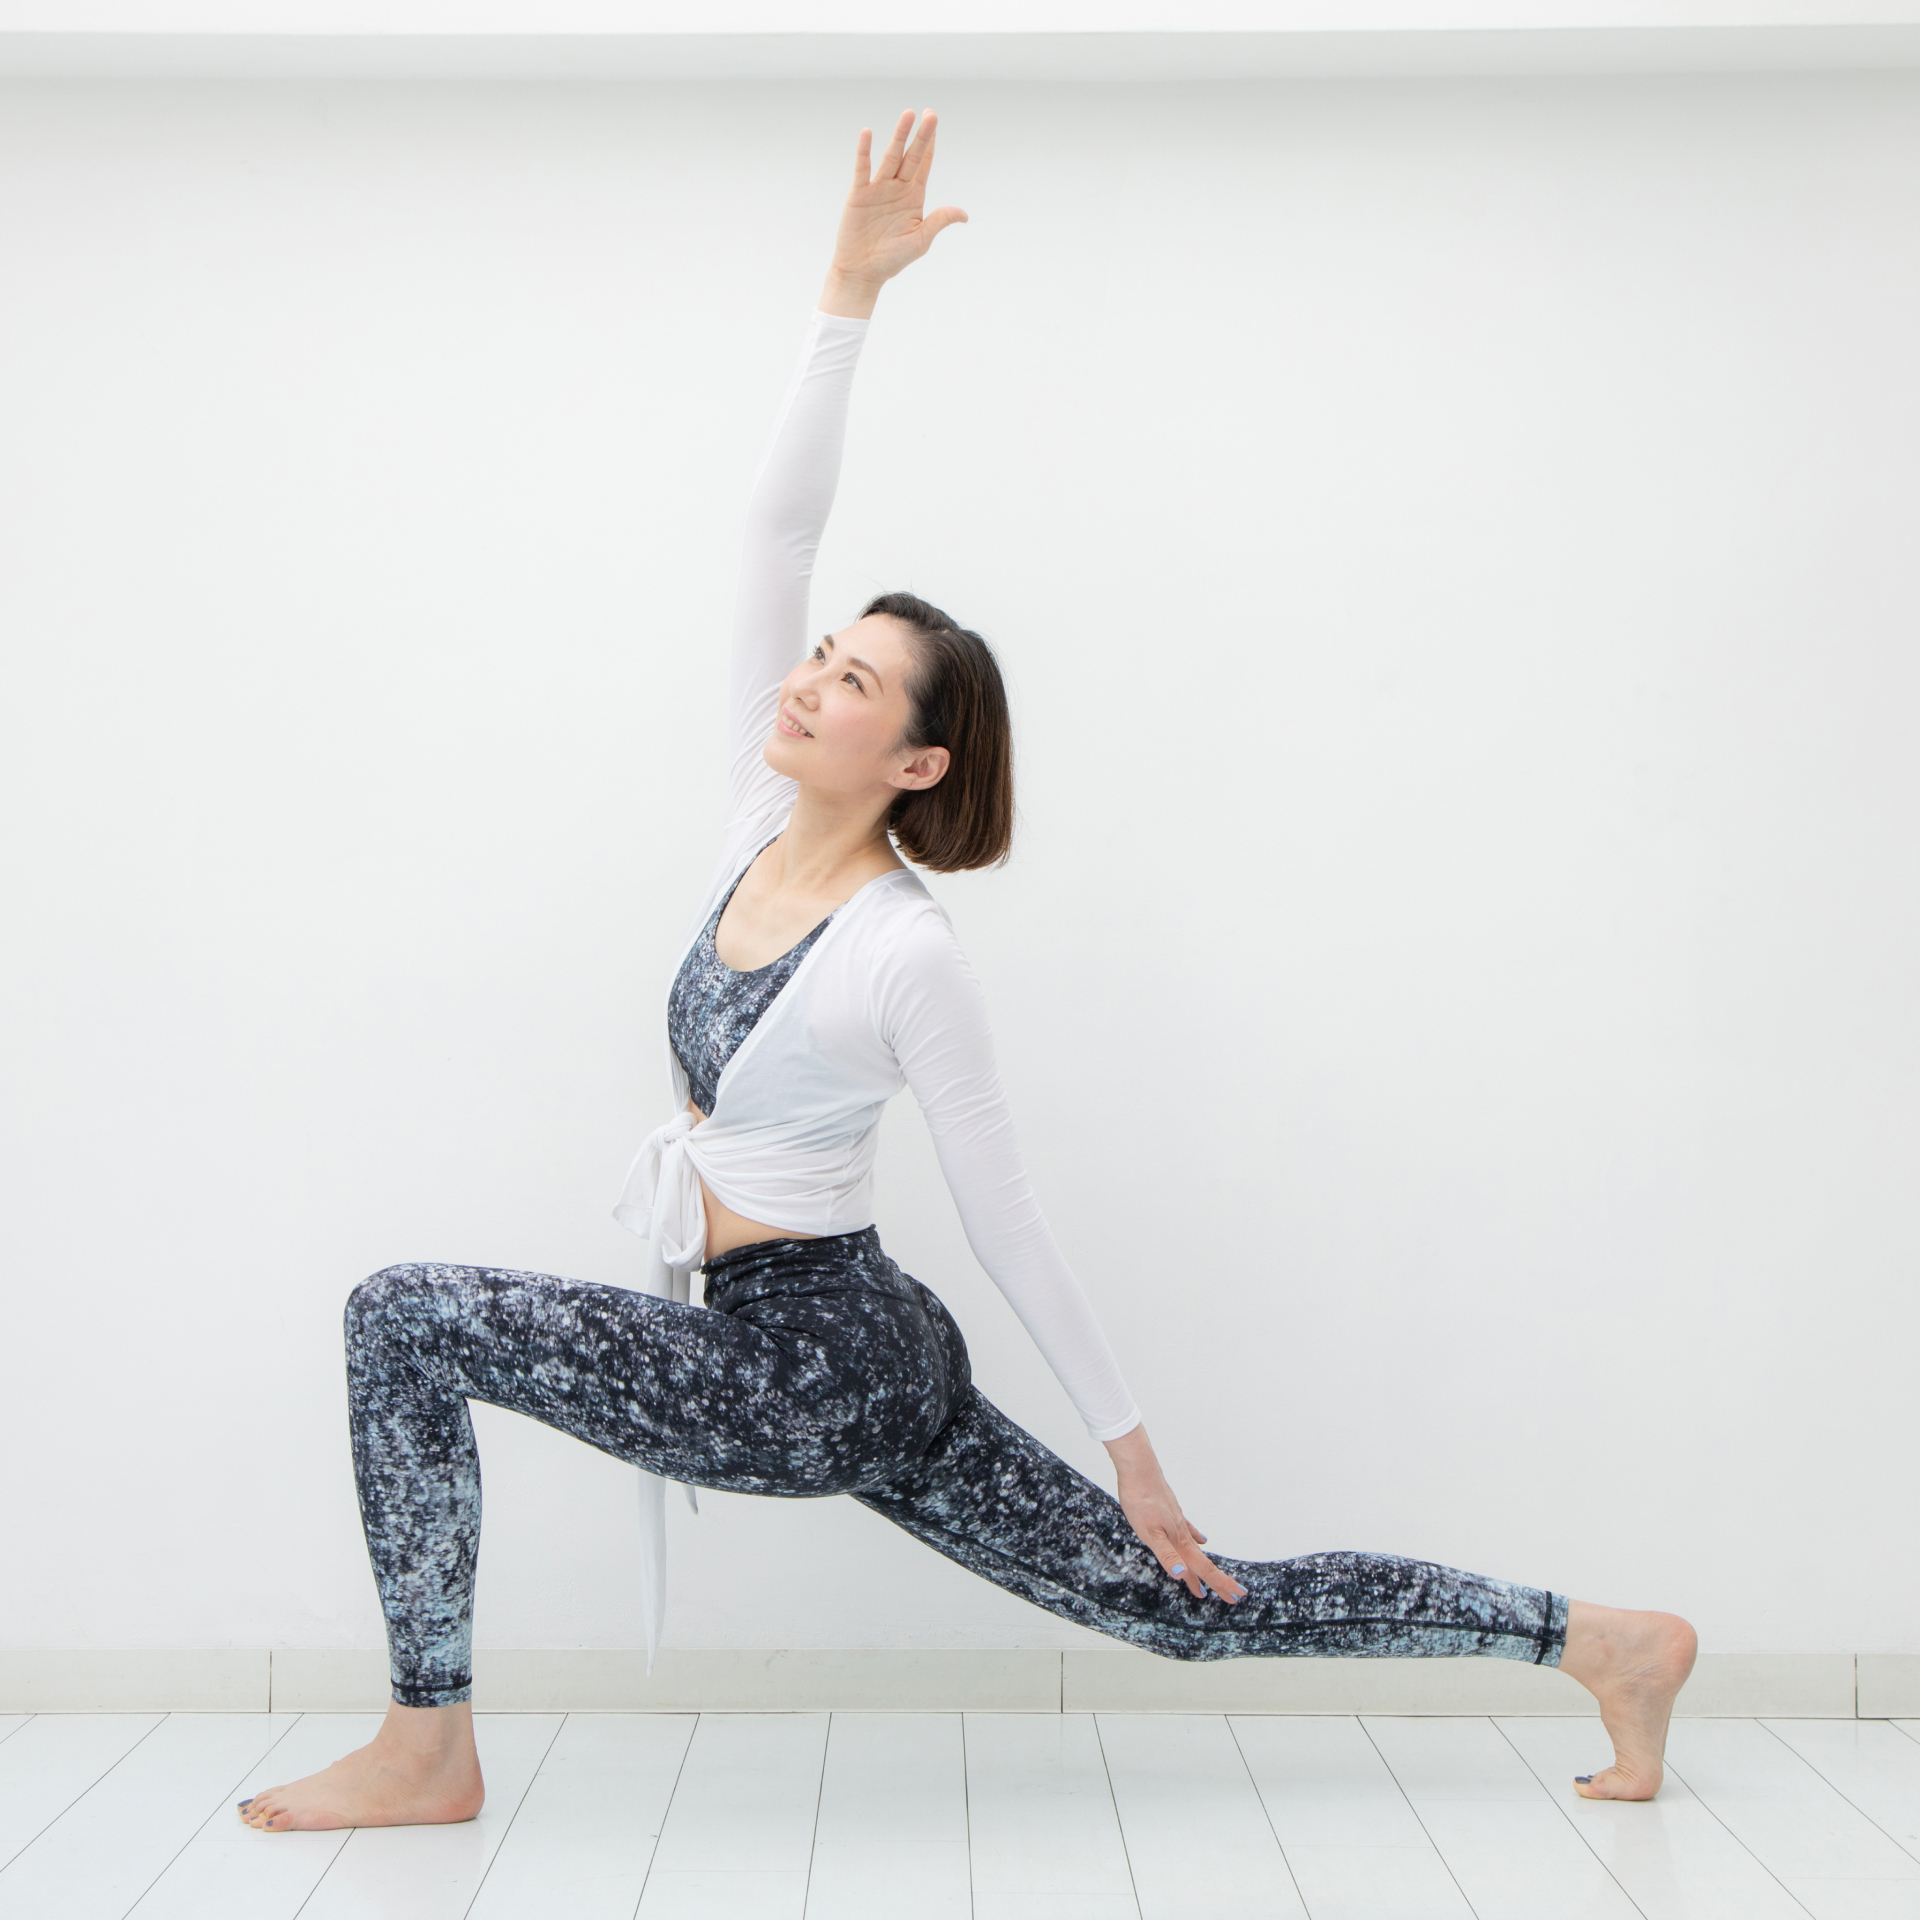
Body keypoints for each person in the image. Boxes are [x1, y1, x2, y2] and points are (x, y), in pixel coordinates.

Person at [239, 109, 1695, 1835]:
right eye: (822, 659)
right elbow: (772, 537)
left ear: (917, 763)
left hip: (820, 1369)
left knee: (402, 1315)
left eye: (853, 684)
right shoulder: (752, 818)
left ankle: (428, 1743)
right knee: (1180, 1617)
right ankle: (1605, 1641)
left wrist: (1135, 1455)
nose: (808, 682)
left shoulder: (904, 952)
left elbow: (1008, 1218)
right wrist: (846, 296)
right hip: (838, 1344)